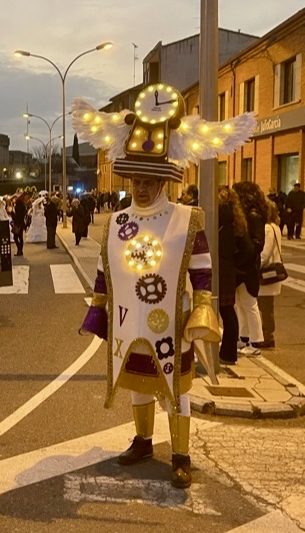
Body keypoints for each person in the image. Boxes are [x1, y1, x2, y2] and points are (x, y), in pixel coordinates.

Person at [74, 83, 254, 488]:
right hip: (129, 321)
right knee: (138, 382)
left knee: (176, 387)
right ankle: (142, 441)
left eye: (149, 180)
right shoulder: (118, 221)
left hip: (173, 320)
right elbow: (107, 267)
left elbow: (201, 265)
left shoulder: (186, 219)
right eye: (136, 178)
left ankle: (181, 453)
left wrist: (204, 304)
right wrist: (98, 306)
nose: (141, 186)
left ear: (164, 181)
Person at [233, 181, 267, 356]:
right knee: (241, 304)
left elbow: (257, 243)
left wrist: (241, 259)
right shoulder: (249, 214)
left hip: (247, 268)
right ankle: (244, 337)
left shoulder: (253, 216)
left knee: (249, 304)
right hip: (243, 267)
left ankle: (255, 341)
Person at [216, 187, 245, 365]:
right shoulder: (235, 220)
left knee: (222, 310)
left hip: (221, 268)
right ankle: (228, 352)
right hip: (227, 268)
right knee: (227, 311)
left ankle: (226, 352)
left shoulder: (221, 215)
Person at [257, 201, 283, 349]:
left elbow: (265, 254)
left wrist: (256, 266)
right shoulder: (275, 227)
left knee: (265, 307)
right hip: (272, 273)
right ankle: (267, 335)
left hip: (267, 274)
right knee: (267, 307)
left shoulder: (267, 228)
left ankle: (267, 336)